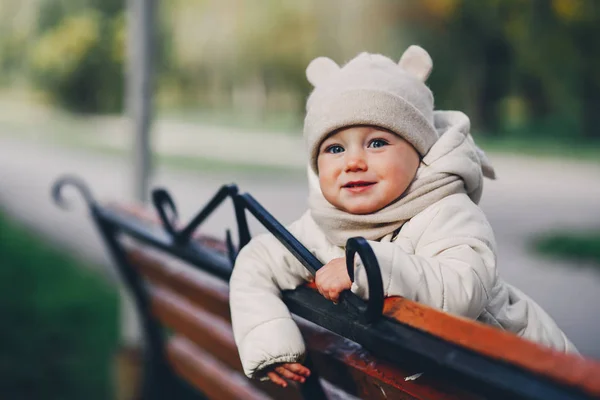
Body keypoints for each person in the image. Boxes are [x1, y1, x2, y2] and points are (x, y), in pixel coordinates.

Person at [229, 45, 577, 388]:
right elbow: (256, 262)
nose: (353, 162)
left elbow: (463, 289)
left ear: (420, 151)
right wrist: (272, 344)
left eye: (377, 142)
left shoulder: (447, 211)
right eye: (335, 148)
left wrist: (363, 268)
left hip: (527, 373)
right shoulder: (322, 226)